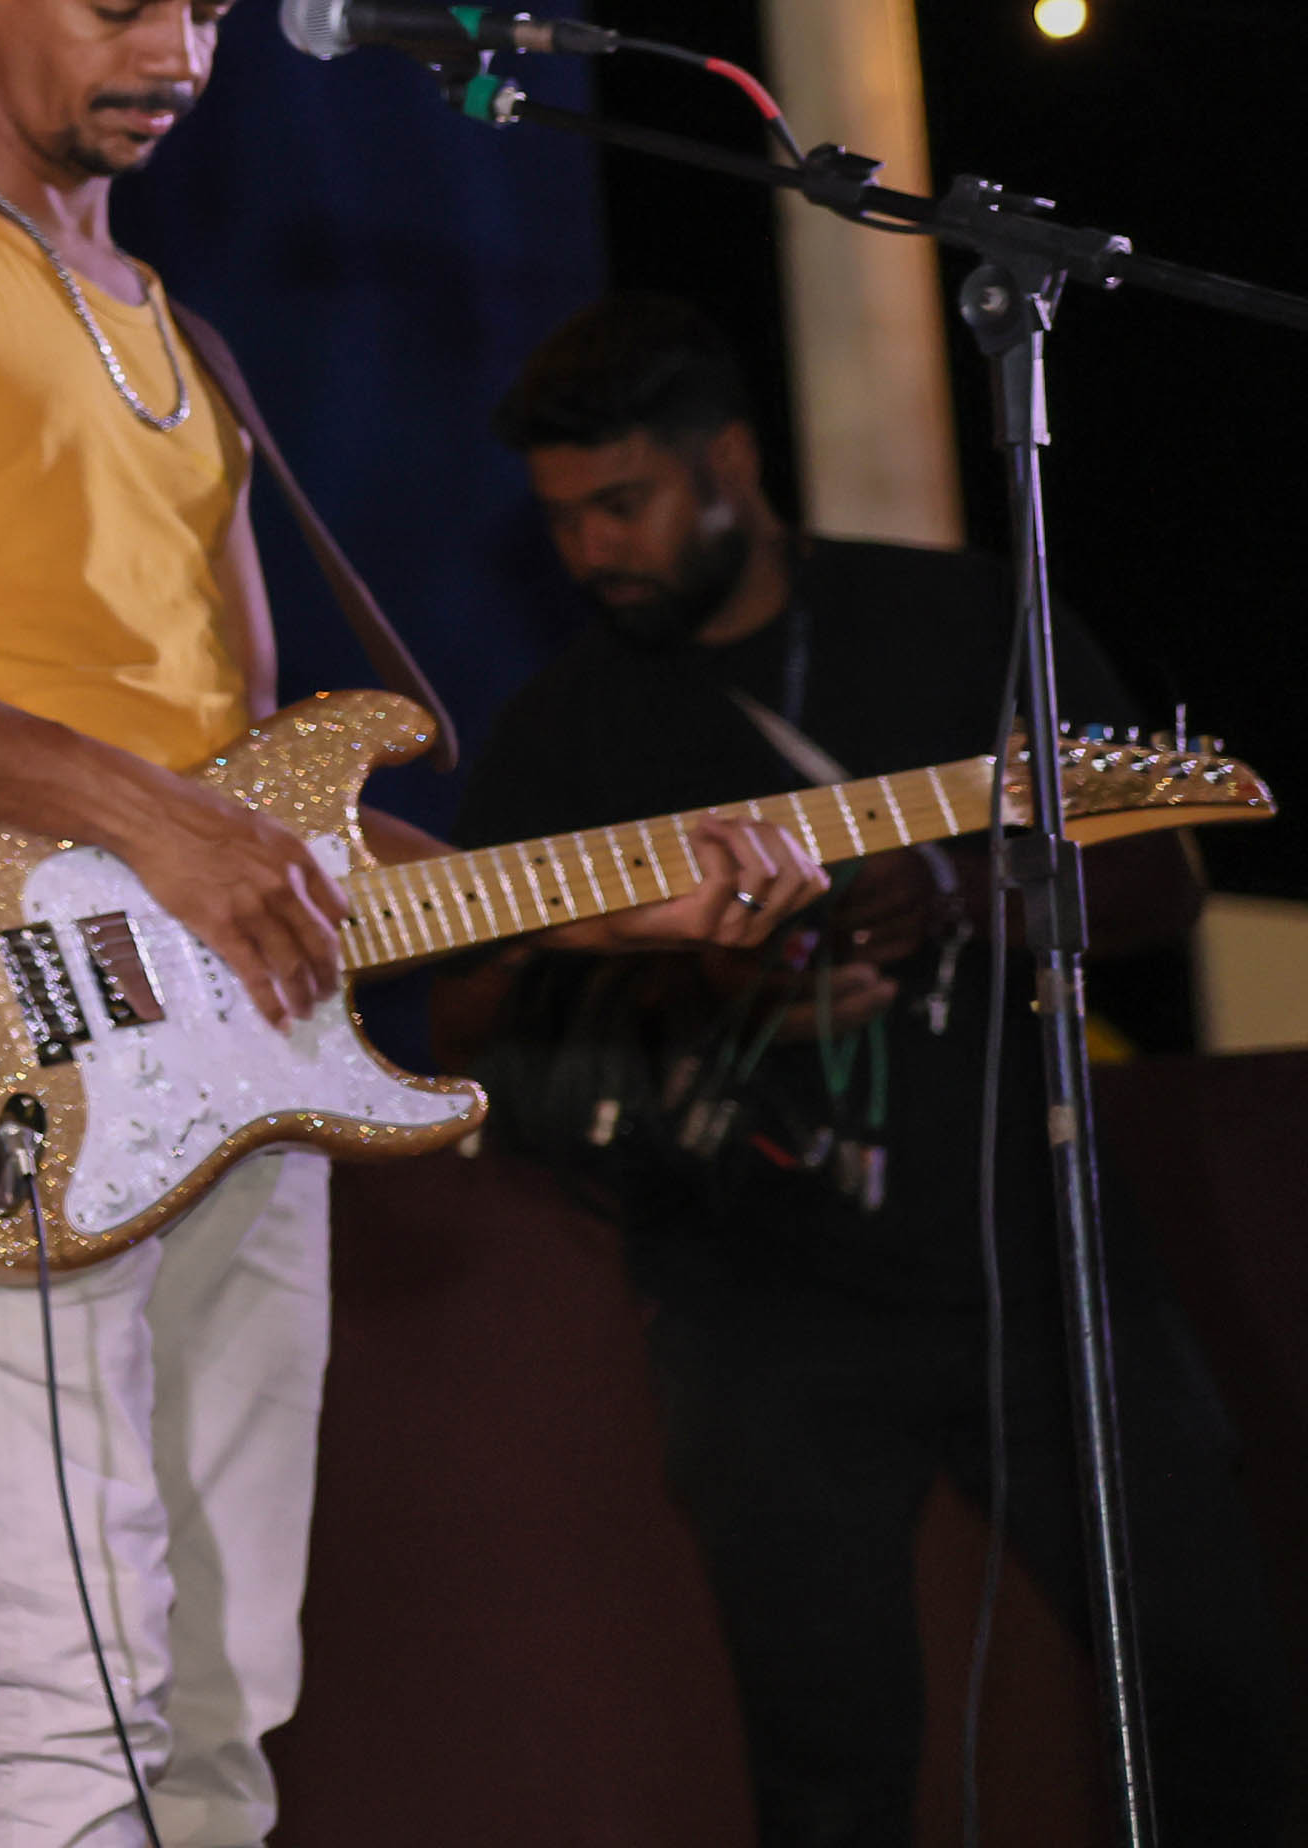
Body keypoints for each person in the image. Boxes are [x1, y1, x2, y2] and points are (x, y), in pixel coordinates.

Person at [0, 0, 804, 1848]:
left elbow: (269, 810)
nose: (179, 57)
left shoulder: (180, 336)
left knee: (220, 1700)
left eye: (207, 8)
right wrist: (153, 821)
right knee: (73, 1665)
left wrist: (600, 906)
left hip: (233, 1039)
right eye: (127, 8)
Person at [442, 296, 1287, 1848]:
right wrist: (687, 967)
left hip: (1040, 1260)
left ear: (731, 463)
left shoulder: (956, 621)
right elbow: (459, 1016)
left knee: (1211, 1700)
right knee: (825, 1761)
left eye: (620, 503)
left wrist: (958, 891)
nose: (590, 552)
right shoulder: (563, 727)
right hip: (750, 1296)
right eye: (560, 520)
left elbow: (1165, 886)